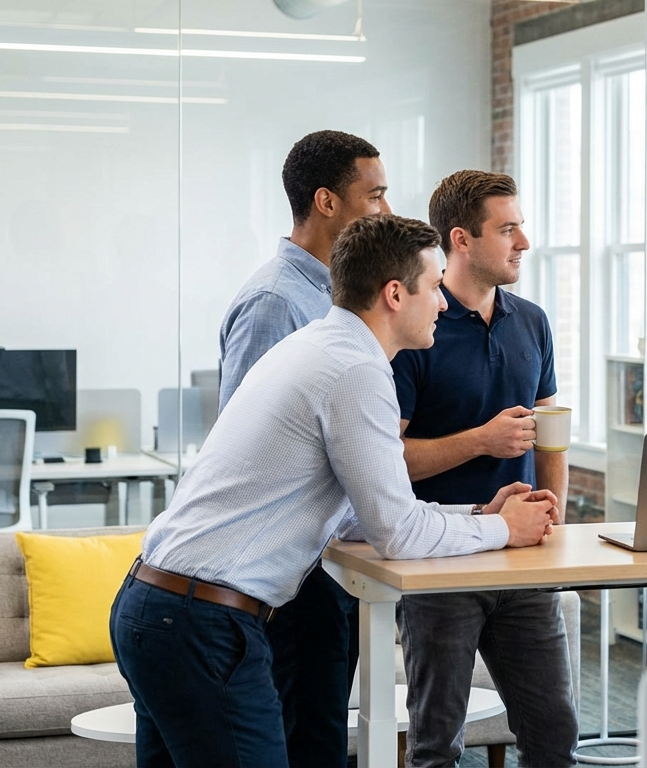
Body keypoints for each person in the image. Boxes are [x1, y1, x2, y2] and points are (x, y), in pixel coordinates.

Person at [110, 214, 558, 767]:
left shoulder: (319, 346)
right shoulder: (356, 371)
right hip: (201, 623)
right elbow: (397, 534)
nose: (444, 303)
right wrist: (503, 529)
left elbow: (358, 516)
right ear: (395, 294)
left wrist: (477, 512)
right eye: (434, 286)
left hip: (155, 605)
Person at [391, 171, 577, 767]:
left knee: (555, 736)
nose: (524, 241)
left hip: (523, 563)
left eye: (521, 226)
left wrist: (553, 521)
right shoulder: (416, 326)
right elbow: (387, 459)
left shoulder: (533, 321)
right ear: (461, 239)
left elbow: (551, 436)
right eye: (507, 229)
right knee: (436, 745)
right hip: (440, 560)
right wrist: (480, 441)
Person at [217, 129, 390, 766]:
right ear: (326, 202)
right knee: (305, 740)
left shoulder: (335, 298)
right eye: (375, 196)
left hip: (329, 560)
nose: (386, 211)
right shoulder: (275, 302)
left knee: (323, 732)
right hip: (288, 573)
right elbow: (245, 453)